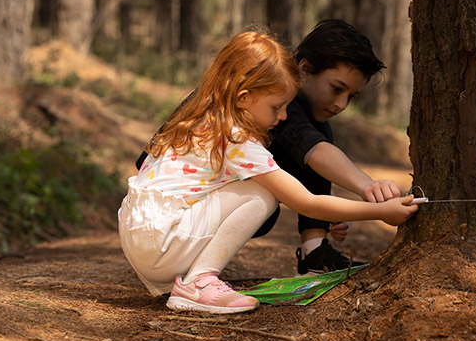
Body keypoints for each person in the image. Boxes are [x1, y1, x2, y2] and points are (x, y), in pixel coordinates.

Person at [119, 30, 417, 315]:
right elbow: (306, 201)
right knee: (263, 194)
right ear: (244, 97)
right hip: (162, 244)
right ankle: (198, 282)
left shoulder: (202, 114)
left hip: (141, 237)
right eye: (277, 107)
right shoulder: (238, 140)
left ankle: (190, 274)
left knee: (268, 179)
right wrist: (378, 211)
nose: (282, 115)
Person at [268, 19, 404, 275]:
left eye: (350, 96)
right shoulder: (274, 102)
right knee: (262, 207)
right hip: (188, 195)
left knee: (318, 136)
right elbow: (314, 150)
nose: (341, 104)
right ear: (305, 69)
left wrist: (330, 205)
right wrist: (368, 187)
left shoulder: (314, 122)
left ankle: (314, 250)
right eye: (336, 88)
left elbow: (314, 149)